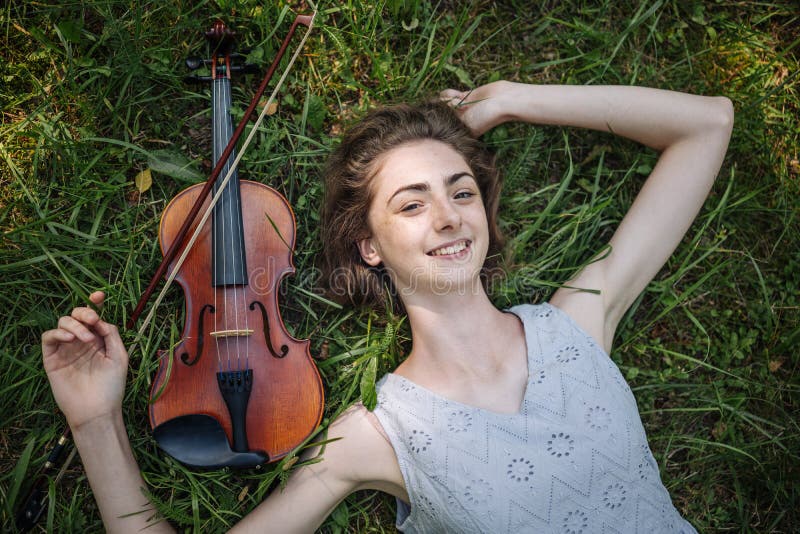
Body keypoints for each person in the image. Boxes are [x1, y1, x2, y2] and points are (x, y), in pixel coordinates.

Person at [41, 80, 733, 533]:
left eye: (461, 192)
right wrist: (95, 419)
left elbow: (708, 123)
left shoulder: (581, 319)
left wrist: (510, 100)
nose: (449, 217)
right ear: (369, 245)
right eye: (413, 202)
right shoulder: (380, 433)